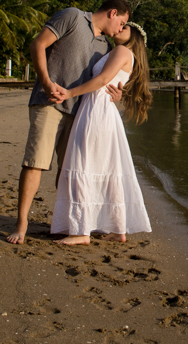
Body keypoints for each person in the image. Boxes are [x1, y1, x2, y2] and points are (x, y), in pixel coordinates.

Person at [6, 0, 131, 245]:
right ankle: (21, 224)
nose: (120, 29)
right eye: (122, 22)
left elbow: (104, 80)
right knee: (36, 162)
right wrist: (45, 82)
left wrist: (117, 95)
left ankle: (72, 224)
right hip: (48, 102)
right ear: (113, 12)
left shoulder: (105, 47)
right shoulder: (72, 17)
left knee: (70, 172)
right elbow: (38, 45)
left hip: (80, 113)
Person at [51, 21, 153, 245]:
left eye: (124, 28)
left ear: (133, 37)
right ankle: (117, 229)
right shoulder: (120, 52)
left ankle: (80, 231)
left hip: (96, 110)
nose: (118, 29)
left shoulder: (122, 51)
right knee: (106, 168)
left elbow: (103, 79)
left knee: (83, 164)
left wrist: (69, 93)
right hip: (102, 110)